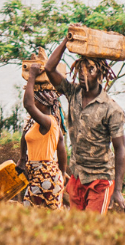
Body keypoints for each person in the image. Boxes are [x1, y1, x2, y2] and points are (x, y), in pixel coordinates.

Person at [44, 33, 125, 213]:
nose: (83, 74)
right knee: (77, 231)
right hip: (77, 176)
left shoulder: (112, 109)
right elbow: (49, 68)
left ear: (100, 74)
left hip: (101, 180)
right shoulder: (73, 93)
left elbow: (120, 149)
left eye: (90, 70)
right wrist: (67, 40)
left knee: (91, 228)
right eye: (81, 69)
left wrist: (118, 190)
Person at [18, 62, 67, 210]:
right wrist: (22, 158)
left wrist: (32, 75)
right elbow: (62, 147)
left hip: (45, 175)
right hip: (43, 176)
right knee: (40, 222)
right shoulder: (39, 124)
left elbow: (27, 104)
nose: (32, 102)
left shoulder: (48, 122)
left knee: (31, 218)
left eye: (35, 100)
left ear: (43, 103)